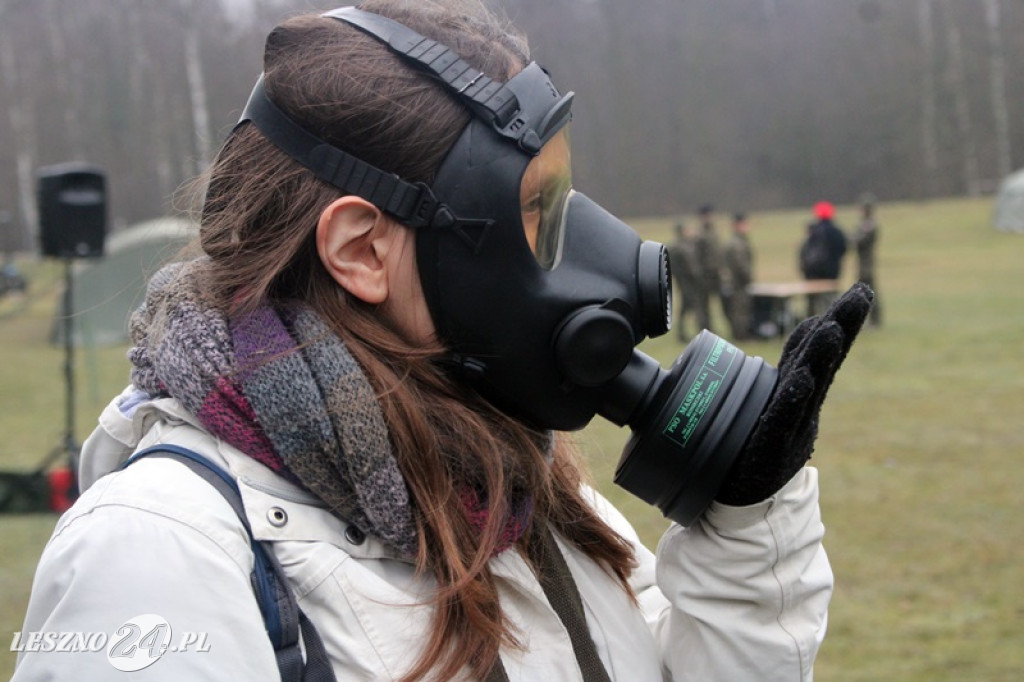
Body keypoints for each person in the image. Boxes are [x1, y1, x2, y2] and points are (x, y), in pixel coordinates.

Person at [14, 3, 873, 681]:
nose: (597, 253)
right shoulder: (156, 558)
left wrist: (747, 523)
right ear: (362, 250)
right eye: (533, 211)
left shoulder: (520, 486)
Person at [799, 200, 848, 316]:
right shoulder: (838, 232)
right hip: (832, 273)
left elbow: (805, 251)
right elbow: (843, 249)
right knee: (830, 302)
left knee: (812, 303)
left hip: (813, 274)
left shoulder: (814, 231)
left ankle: (812, 322)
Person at [665, 221, 702, 341]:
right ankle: (695, 332)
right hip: (688, 281)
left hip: (681, 281)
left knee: (685, 308)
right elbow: (691, 267)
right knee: (692, 306)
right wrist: (697, 276)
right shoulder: (683, 247)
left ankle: (682, 332)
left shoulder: (673, 246)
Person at [721, 212, 754, 340]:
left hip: (735, 282)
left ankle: (739, 334)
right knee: (740, 309)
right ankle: (741, 335)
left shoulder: (737, 241)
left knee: (738, 308)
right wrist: (748, 278)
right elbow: (741, 266)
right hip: (738, 282)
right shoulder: (737, 244)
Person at [692, 203, 723, 333]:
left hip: (715, 273)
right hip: (704, 274)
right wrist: (698, 274)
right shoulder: (700, 235)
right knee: (702, 304)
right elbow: (695, 257)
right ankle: (704, 329)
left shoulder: (713, 233)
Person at [852, 193, 882, 327]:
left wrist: (853, 237)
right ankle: (869, 320)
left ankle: (874, 320)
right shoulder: (865, 223)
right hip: (862, 262)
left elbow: (859, 240)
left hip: (866, 264)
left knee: (868, 291)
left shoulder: (869, 224)